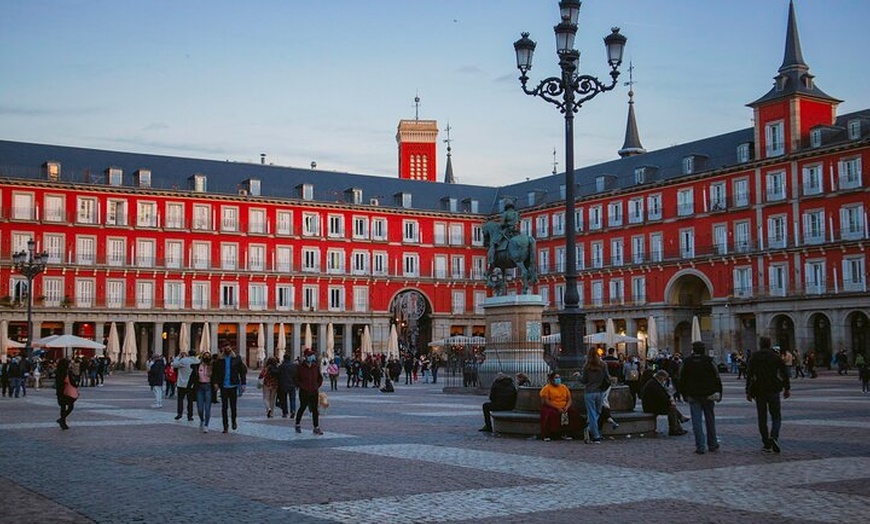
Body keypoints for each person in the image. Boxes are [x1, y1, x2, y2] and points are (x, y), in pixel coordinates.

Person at [746, 336, 791, 453]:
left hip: (759, 390)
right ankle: (774, 436)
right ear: (769, 344)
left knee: (762, 418)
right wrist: (787, 388)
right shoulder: (775, 356)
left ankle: (766, 443)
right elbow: (784, 372)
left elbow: (749, 374)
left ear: (760, 344)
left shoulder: (754, 357)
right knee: (776, 416)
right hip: (773, 389)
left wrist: (748, 391)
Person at [679, 341, 723, 454]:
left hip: (693, 394)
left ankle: (700, 446)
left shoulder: (687, 361)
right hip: (708, 394)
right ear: (703, 349)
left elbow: (681, 378)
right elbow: (717, 377)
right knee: (710, 420)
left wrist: (683, 394)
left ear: (693, 349)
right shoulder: (709, 361)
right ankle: (712, 444)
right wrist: (719, 392)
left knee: (696, 422)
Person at [211, 342, 247, 433]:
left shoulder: (236, 358)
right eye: (225, 348)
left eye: (228, 348)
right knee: (224, 407)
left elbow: (242, 372)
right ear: (223, 349)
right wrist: (215, 383)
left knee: (233, 406)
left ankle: (234, 421)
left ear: (231, 348)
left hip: (233, 385)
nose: (227, 350)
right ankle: (225, 426)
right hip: (224, 386)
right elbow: (215, 373)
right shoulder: (219, 360)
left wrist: (243, 384)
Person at [641, 370, 688, 436]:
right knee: (671, 408)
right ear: (661, 377)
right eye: (665, 378)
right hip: (650, 407)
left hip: (652, 404)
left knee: (672, 407)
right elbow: (661, 397)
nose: (665, 380)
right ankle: (675, 428)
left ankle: (678, 428)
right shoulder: (654, 384)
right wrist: (670, 402)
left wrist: (669, 400)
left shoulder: (654, 382)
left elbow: (663, 395)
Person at [539, 371, 581, 441]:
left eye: (558, 377)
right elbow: (546, 401)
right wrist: (557, 408)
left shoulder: (564, 387)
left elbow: (569, 399)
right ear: (551, 379)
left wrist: (566, 407)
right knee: (553, 414)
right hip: (552, 406)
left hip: (564, 406)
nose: (558, 379)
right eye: (556, 378)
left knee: (573, 413)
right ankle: (549, 434)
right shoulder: (546, 388)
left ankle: (566, 433)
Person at [580, 347, 610, 443]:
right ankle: (593, 432)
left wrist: (577, 376)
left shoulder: (586, 366)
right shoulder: (603, 365)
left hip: (589, 392)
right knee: (597, 412)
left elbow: (584, 380)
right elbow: (607, 377)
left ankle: (593, 433)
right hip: (600, 392)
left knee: (592, 413)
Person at [295, 349, 324, 435]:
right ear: (306, 357)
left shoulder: (315, 366)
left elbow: (320, 378)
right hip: (304, 391)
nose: (312, 357)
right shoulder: (300, 367)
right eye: (310, 355)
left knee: (315, 410)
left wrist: (316, 385)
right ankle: (297, 424)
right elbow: (296, 379)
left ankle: (316, 427)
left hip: (314, 391)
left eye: (312, 355)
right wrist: (302, 386)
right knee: (302, 407)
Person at [190, 351, 214, 433]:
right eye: (205, 356)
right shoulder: (197, 366)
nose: (206, 358)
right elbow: (192, 377)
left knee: (207, 408)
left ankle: (206, 425)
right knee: (200, 408)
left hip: (208, 387)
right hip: (199, 387)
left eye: (208, 356)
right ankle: (202, 419)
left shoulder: (212, 367)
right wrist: (189, 387)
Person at [172, 351, 200, 421]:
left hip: (181, 383)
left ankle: (179, 413)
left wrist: (178, 356)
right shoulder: (197, 361)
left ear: (188, 354)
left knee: (180, 400)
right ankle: (190, 415)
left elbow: (174, 364)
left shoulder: (184, 360)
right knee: (190, 401)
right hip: (191, 384)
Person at [54, 357, 77, 430]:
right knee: (70, 407)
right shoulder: (67, 372)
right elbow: (72, 382)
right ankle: (62, 420)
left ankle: (63, 422)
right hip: (67, 392)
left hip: (60, 392)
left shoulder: (58, 372)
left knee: (63, 407)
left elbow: (57, 383)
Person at [276, 353, 298, 418]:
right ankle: (293, 410)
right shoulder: (294, 366)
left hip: (283, 385)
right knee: (292, 399)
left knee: (284, 400)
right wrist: (296, 384)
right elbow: (296, 375)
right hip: (292, 385)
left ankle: (285, 412)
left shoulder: (281, 366)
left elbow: (278, 376)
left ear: (284, 358)